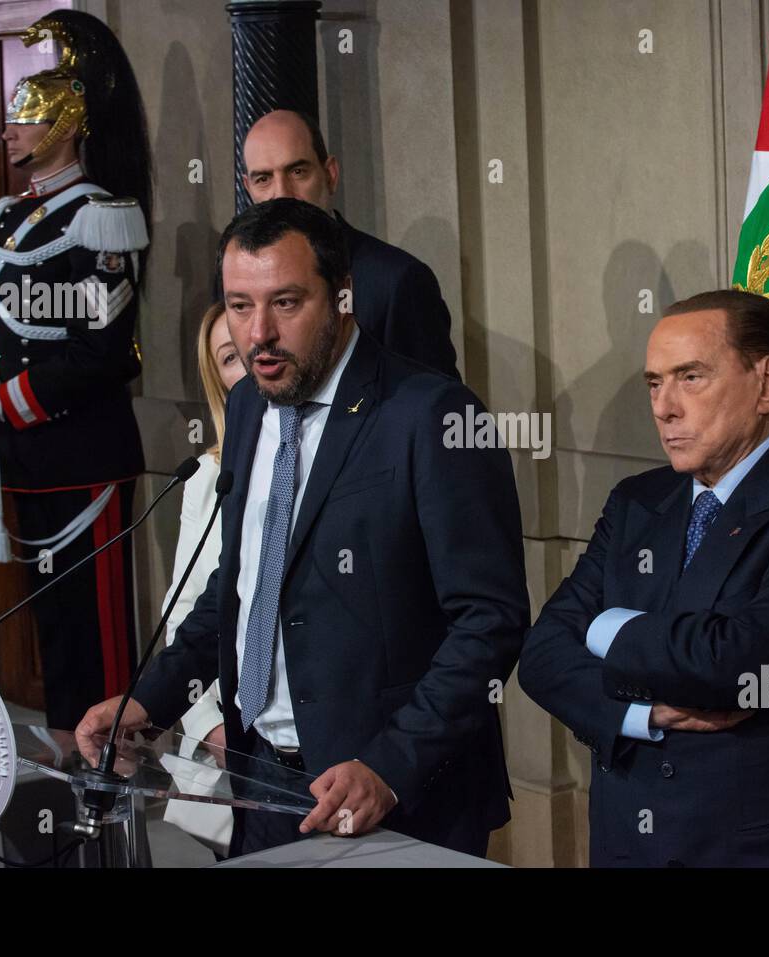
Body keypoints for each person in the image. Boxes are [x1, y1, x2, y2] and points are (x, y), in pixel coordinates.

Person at [77, 198, 528, 858]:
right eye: (238, 304)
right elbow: (239, 592)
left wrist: (392, 765)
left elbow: (490, 618)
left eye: (285, 303)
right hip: (260, 779)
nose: (255, 332)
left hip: (396, 797)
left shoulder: (430, 416)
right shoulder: (248, 408)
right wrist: (148, 700)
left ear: (343, 297)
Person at [517, 289, 769, 867]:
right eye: (654, 383)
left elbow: (735, 664)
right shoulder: (636, 502)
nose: (664, 407)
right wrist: (641, 714)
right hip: (630, 846)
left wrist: (606, 625)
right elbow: (543, 655)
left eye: (690, 377)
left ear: (768, 383)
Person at [0, 10, 152, 730]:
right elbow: (7, 326)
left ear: (64, 126)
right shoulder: (13, 216)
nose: (8, 130)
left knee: (97, 644)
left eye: (23, 118)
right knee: (53, 636)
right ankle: (68, 772)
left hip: (82, 455)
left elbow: (103, 353)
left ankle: (109, 776)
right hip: (25, 458)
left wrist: (9, 397)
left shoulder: (102, 216)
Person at [241, 109, 459, 378]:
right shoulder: (235, 284)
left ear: (330, 174)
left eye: (297, 171)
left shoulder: (396, 282)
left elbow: (436, 409)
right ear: (248, 189)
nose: (282, 194)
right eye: (263, 179)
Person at [156, 302, 246, 856]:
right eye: (229, 357)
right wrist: (210, 724)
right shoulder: (207, 473)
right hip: (221, 735)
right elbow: (184, 608)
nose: (250, 360)